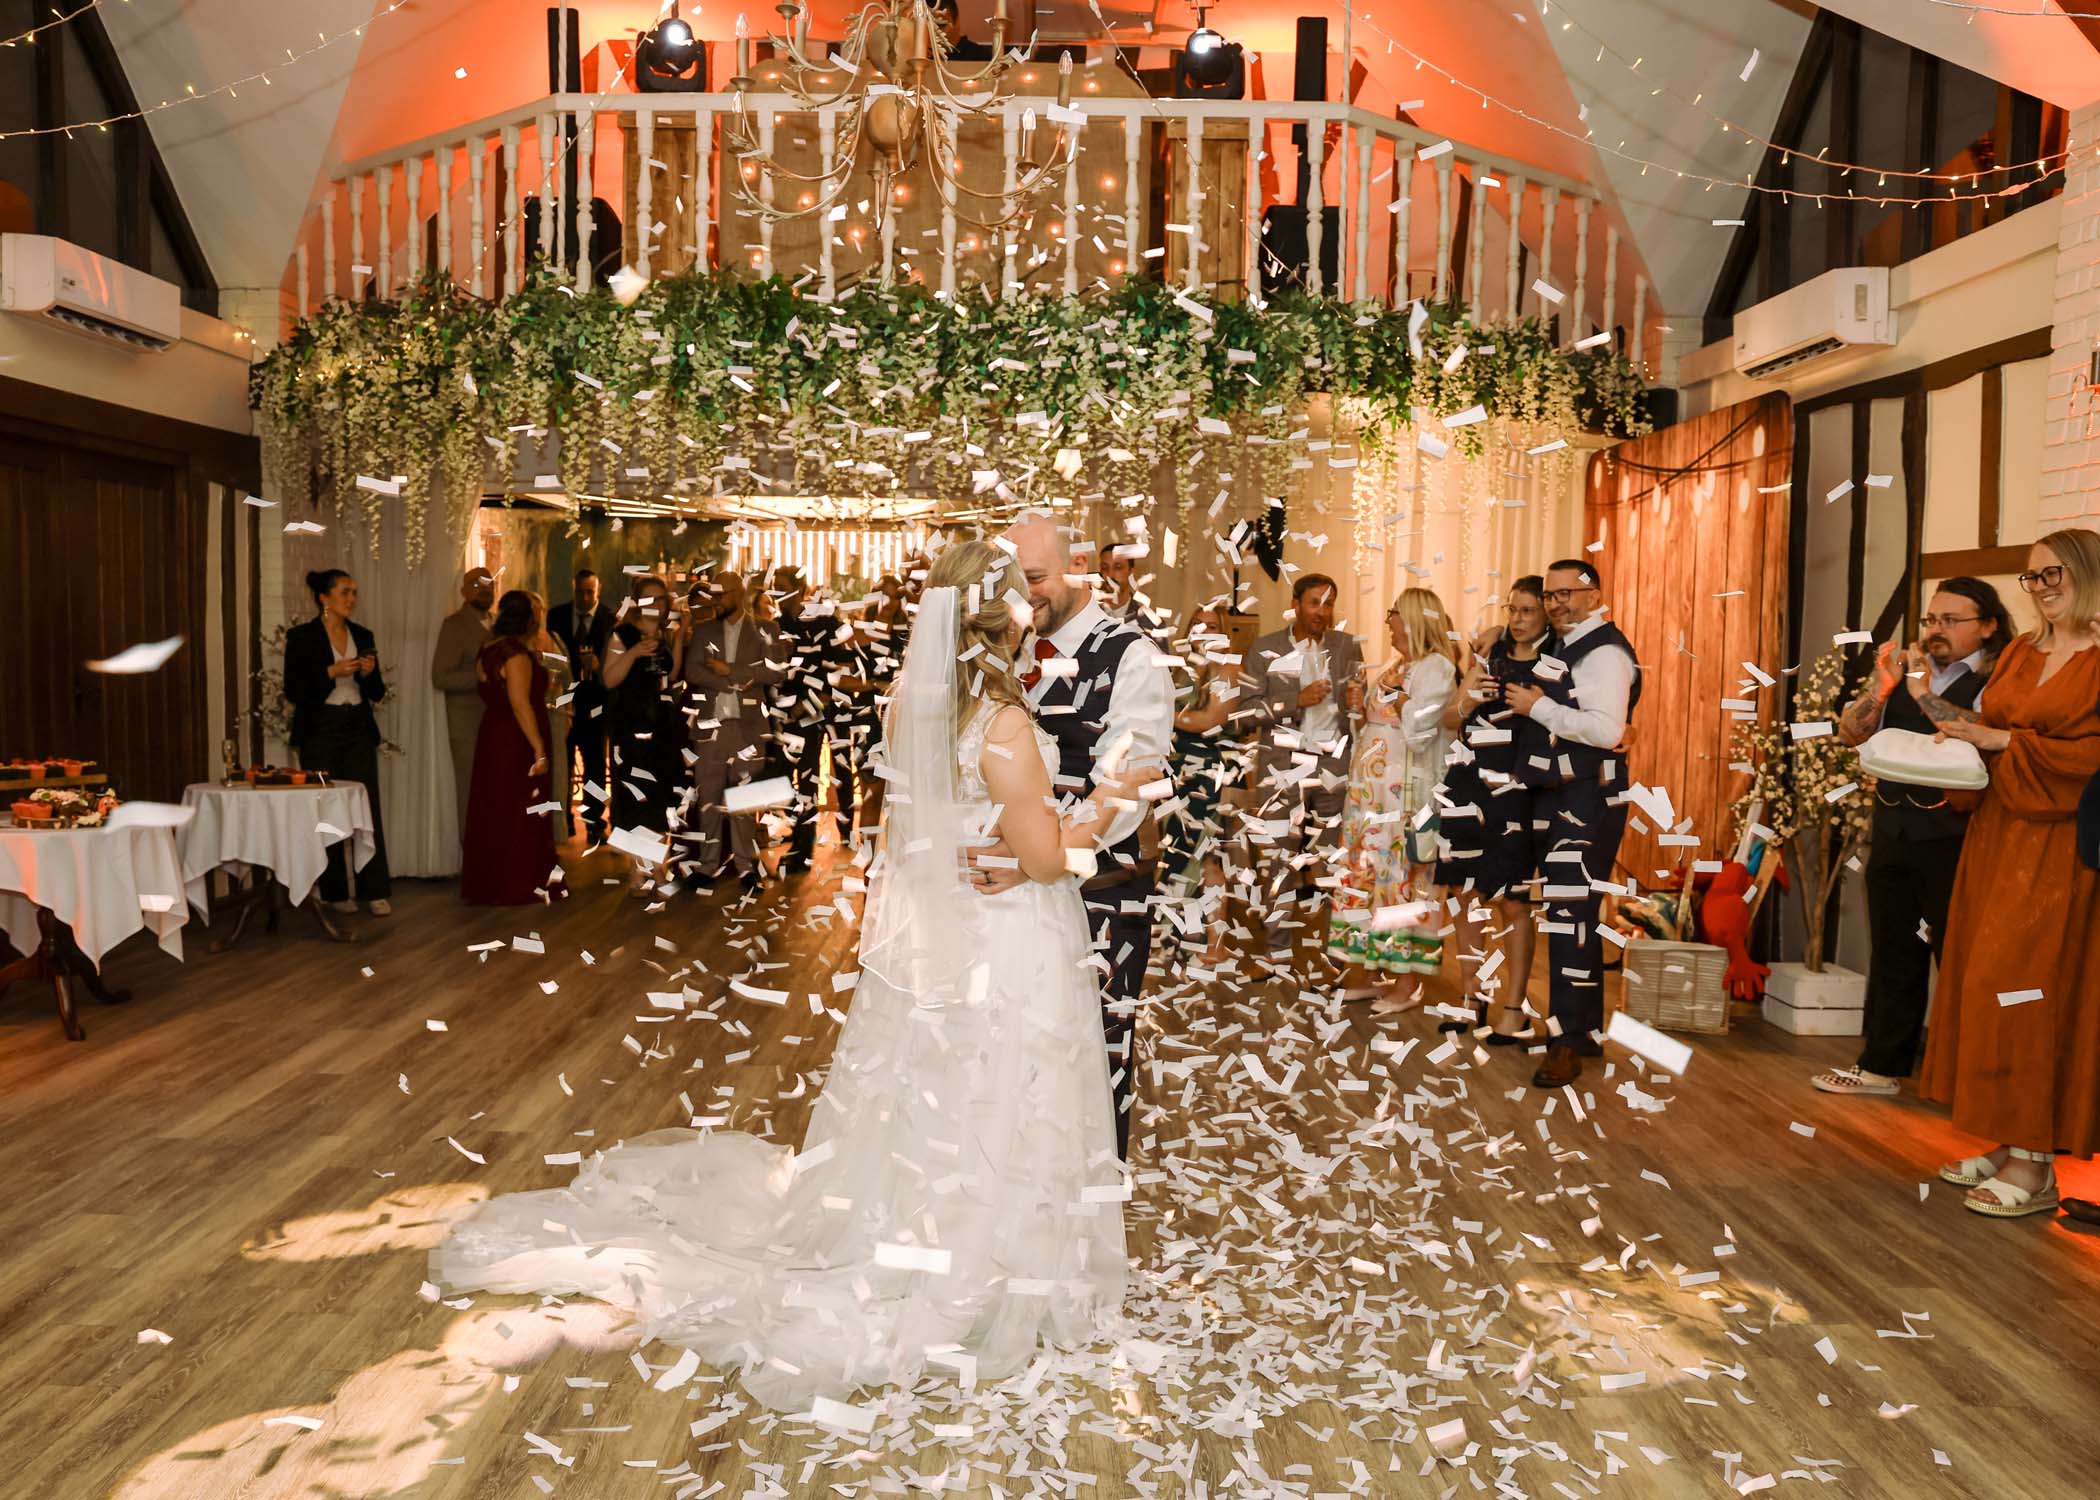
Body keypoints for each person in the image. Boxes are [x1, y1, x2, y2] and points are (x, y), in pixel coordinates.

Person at [432, 543, 1136, 1414]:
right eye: (1029, 596)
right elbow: (1038, 854)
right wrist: (1105, 809)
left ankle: (936, 1232)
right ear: (1009, 618)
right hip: (1005, 939)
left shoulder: (915, 707)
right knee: (1005, 1086)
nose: (1039, 605)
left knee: (940, 1093)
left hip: (946, 944)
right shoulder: (1004, 724)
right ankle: (997, 1265)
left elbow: (914, 829)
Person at [968, 513, 1174, 1161]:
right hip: (1006, 904)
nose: (1022, 597)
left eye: (1034, 579)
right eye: (1012, 584)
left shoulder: (1131, 656)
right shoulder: (1011, 648)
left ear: (1079, 563)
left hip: (1103, 891)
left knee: (1096, 1049)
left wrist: (1040, 859)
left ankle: (1092, 1212)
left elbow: (1130, 783)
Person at [1917, 530, 2100, 1218]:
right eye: (2031, 577)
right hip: (1999, 836)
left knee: (2031, 992)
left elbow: (2090, 759)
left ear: (2086, 572)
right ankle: (2006, 1139)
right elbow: (1991, 724)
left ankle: (2037, 1162)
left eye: (2053, 573)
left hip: (2060, 850)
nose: (2042, 586)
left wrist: (1998, 742)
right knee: (1988, 984)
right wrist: (1954, 731)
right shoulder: (2023, 649)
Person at [1812, 578, 2011, 1098]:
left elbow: (1981, 731)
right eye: (1930, 621)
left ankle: (1970, 1082)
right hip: (1894, 830)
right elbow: (1851, 733)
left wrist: (1921, 689)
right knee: (1895, 952)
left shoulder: (2001, 676)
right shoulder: (1904, 673)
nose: (1936, 631)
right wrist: (1883, 686)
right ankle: (1881, 1066)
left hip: (1956, 839)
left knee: (1959, 958)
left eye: (1951, 621)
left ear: (1987, 627)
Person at [1502, 559, 1639, 1090]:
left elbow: (1607, 732)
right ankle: (1581, 1032)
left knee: (1569, 915)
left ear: (1594, 594)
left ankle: (1565, 1044)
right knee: (1572, 913)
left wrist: (1539, 710)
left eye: (1567, 594)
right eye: (1551, 594)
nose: (1557, 603)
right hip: (1565, 796)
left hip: (1589, 798)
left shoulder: (1604, 652)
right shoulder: (1567, 646)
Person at [1327, 588, 1459, 1013]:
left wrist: (1400, 701)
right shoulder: (1397, 664)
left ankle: (1405, 983)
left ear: (1417, 620)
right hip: (1368, 796)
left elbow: (1421, 734)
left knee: (1401, 885)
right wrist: (1358, 706)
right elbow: (1375, 724)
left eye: (1394, 614)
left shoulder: (1436, 668)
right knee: (1365, 882)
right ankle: (1366, 971)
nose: (1388, 622)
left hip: (1403, 797)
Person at [1434, 578, 1550, 1044]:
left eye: (1527, 611)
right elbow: (1448, 719)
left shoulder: (1555, 664)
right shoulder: (1490, 656)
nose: (1518, 619)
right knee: (1463, 894)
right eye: (1513, 609)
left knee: (1512, 901)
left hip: (1517, 792)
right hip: (1467, 782)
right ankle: (1469, 999)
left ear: (1545, 616)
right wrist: (1468, 699)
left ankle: (1513, 1008)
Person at [1236, 574, 1363, 961]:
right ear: (1294, 603)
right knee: (1278, 861)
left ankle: (1331, 951)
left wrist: (1358, 701)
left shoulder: (1347, 646)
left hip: (1333, 767)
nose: (1322, 612)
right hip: (1282, 768)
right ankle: (1277, 951)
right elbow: (1244, 713)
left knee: (1331, 862)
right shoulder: (1264, 649)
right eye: (1314, 603)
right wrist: (1296, 700)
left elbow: (1356, 706)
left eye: (1328, 604)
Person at [282, 569, 393, 916]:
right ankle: (334, 892)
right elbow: (294, 690)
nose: (352, 599)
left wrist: (367, 674)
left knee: (366, 807)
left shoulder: (362, 634)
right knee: (325, 809)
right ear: (324, 598)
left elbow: (377, 692)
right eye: (345, 592)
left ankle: (374, 891)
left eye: (354, 593)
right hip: (320, 729)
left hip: (357, 725)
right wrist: (331, 673)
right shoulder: (302, 637)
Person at [682, 571, 781, 896]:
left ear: (739, 593)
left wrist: (730, 671)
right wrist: (729, 682)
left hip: (749, 730)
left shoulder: (766, 629)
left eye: (721, 595)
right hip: (710, 729)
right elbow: (692, 670)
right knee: (708, 800)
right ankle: (707, 866)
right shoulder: (703, 630)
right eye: (714, 595)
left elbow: (775, 672)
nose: (716, 601)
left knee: (743, 805)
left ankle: (746, 867)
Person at [462, 591, 559, 906]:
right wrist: (539, 749)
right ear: (528, 619)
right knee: (521, 808)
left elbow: (495, 691)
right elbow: (520, 705)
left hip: (493, 735)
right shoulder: (515, 654)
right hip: (516, 740)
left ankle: (490, 881)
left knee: (495, 806)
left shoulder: (488, 648)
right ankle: (519, 882)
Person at [1161, 603, 1240, 961]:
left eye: (1211, 625)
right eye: (1198, 624)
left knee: (1208, 859)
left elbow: (1211, 719)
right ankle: (1186, 936)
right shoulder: (1179, 667)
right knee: (1178, 854)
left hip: (1208, 772)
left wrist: (1168, 716)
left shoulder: (1227, 669)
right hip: (1176, 771)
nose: (1203, 631)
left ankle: (1217, 944)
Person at [602, 575, 687, 894]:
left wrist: (679, 638)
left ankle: (654, 865)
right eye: (649, 599)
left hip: (662, 725)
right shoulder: (621, 634)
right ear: (637, 602)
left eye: (660, 599)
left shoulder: (664, 635)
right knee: (634, 796)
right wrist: (635, 652)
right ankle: (639, 871)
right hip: (632, 724)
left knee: (658, 797)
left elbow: (672, 674)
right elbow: (609, 678)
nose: (655, 605)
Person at [773, 568, 848, 875]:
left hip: (820, 709)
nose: (777, 594)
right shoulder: (777, 625)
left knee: (819, 775)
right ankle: (801, 835)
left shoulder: (824, 620)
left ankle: (810, 845)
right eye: (774, 588)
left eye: (783, 588)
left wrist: (811, 703)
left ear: (800, 589)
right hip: (786, 712)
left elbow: (841, 667)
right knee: (785, 775)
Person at [548, 569, 614, 843]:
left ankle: (594, 820)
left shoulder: (610, 619)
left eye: (589, 592)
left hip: (596, 701)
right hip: (564, 700)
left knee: (596, 765)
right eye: (579, 592)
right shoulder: (557, 616)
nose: (584, 597)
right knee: (561, 762)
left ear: (598, 591)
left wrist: (598, 667)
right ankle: (563, 821)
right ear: (572, 589)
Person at [432, 567, 496, 840]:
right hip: (467, 724)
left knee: (496, 789)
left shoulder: (499, 624)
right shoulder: (455, 625)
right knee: (471, 791)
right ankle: (471, 852)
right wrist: (479, 678)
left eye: (489, 584)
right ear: (464, 592)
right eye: (477, 585)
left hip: (498, 722)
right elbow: (440, 676)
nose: (485, 590)